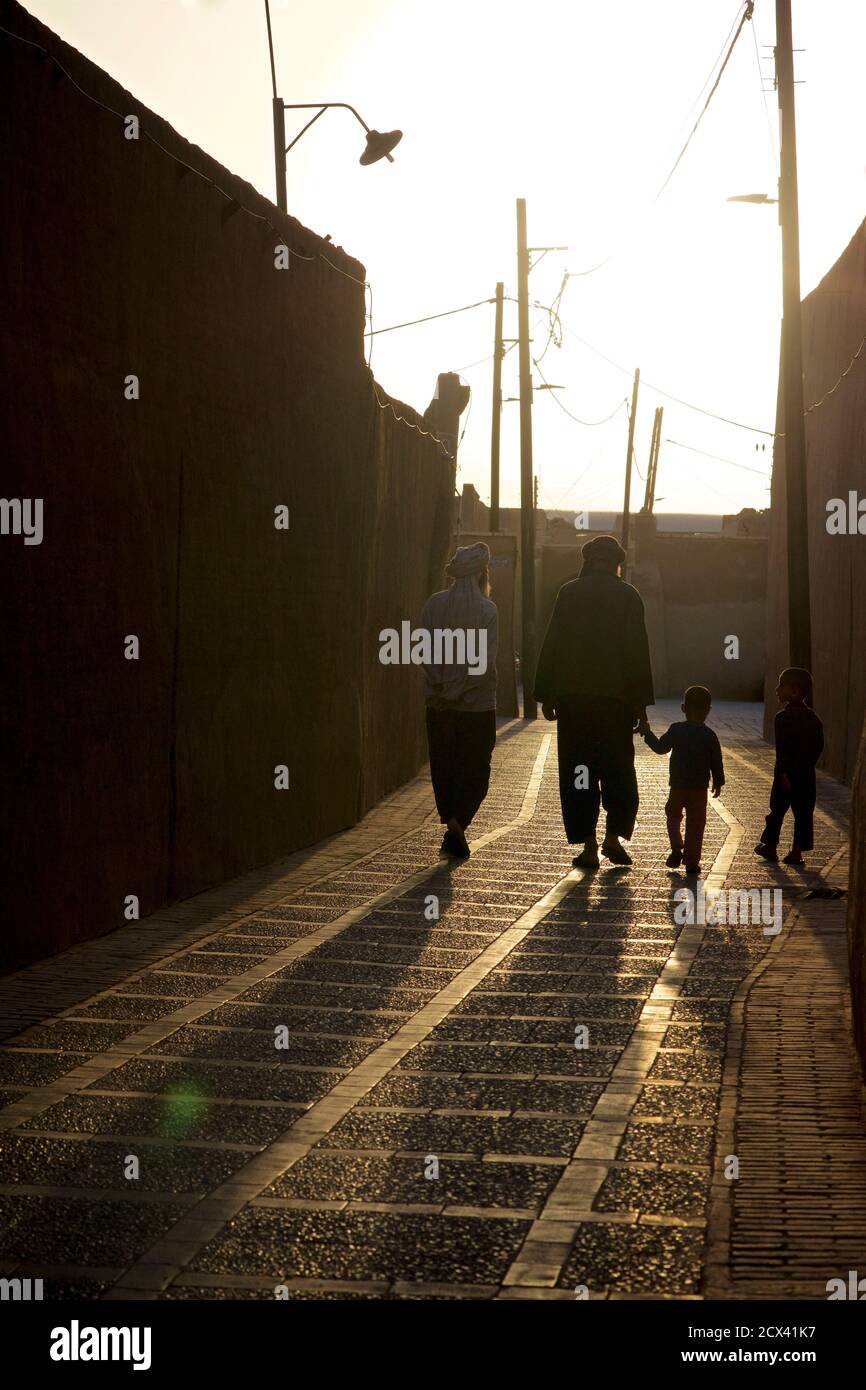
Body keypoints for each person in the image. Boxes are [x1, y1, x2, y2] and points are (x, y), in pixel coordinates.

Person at [534, 534, 654, 869]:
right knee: (617, 769)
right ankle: (613, 837)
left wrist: (546, 694)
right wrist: (640, 706)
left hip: (575, 703)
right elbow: (637, 654)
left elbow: (553, 643)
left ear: (588, 561)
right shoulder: (629, 597)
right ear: (617, 563)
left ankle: (588, 845)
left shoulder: (569, 593)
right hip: (615, 705)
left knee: (579, 771)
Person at [420, 541, 498, 858]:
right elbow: (484, 662)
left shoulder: (434, 605)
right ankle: (457, 824)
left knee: (445, 766)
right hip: (476, 707)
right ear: (482, 574)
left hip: (438, 706)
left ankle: (452, 826)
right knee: (475, 770)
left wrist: (442, 687)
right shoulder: (487, 610)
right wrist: (462, 690)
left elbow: (424, 652)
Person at [643, 685, 725, 875]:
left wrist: (647, 732)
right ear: (708, 711)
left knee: (672, 815)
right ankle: (692, 862)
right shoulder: (710, 735)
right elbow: (716, 761)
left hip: (678, 786)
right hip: (699, 789)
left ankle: (676, 847)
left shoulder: (676, 730)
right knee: (696, 824)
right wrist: (718, 781)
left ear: (683, 708)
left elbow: (660, 748)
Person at [755, 667, 824, 865]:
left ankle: (770, 847)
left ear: (794, 691)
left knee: (777, 810)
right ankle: (796, 852)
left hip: (785, 774)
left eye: (781, 685)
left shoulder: (782, 718)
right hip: (806, 774)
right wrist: (808, 766)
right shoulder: (814, 719)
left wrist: (783, 773)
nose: (777, 689)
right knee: (803, 814)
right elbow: (819, 746)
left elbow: (782, 749)